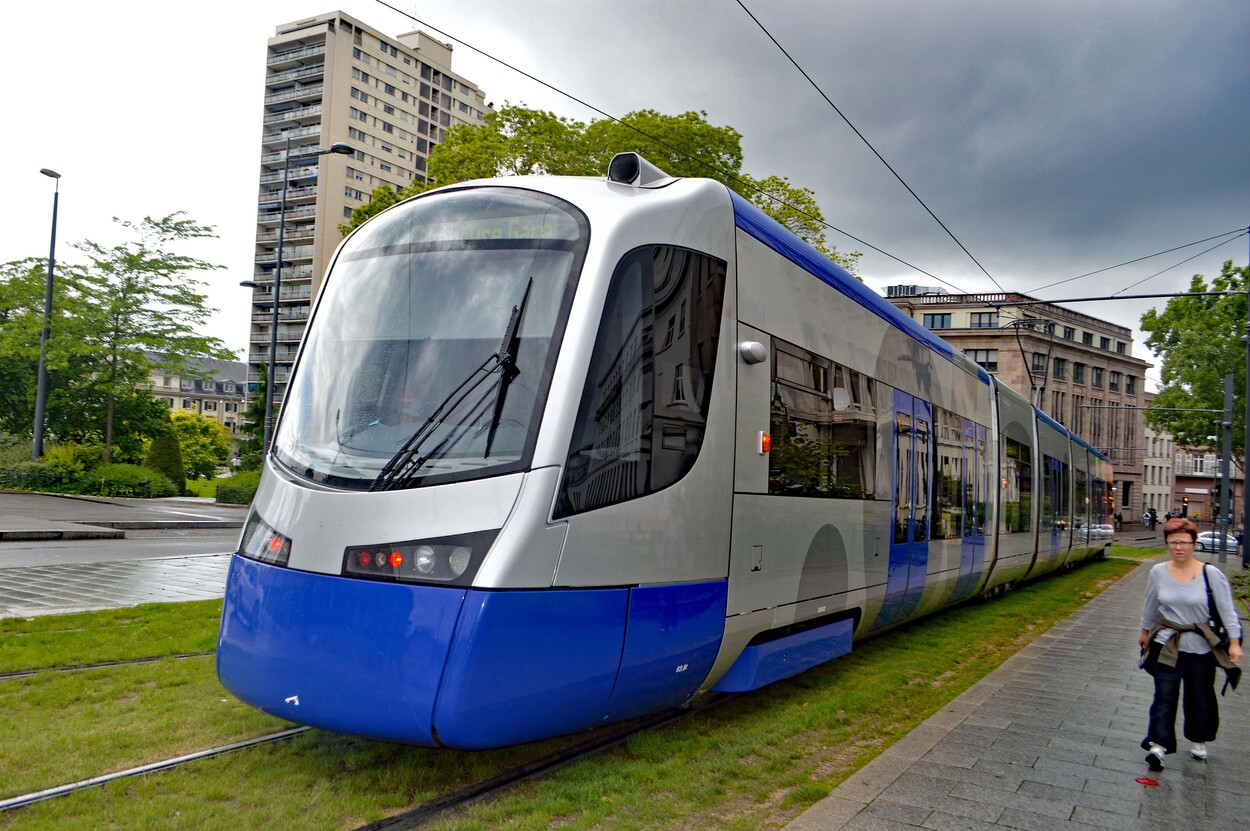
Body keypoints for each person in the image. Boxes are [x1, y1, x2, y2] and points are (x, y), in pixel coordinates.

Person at [1139, 517, 1243, 770]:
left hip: (1201, 646)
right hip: (1168, 644)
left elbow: (1227, 610)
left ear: (1194, 544)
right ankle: (1159, 745)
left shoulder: (1211, 574)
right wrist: (1145, 632)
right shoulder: (1158, 572)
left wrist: (1234, 643)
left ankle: (1198, 739)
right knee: (1164, 695)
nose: (1179, 547)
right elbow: (1151, 605)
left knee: (1200, 696)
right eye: (1173, 542)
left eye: (1184, 542)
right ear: (1167, 544)